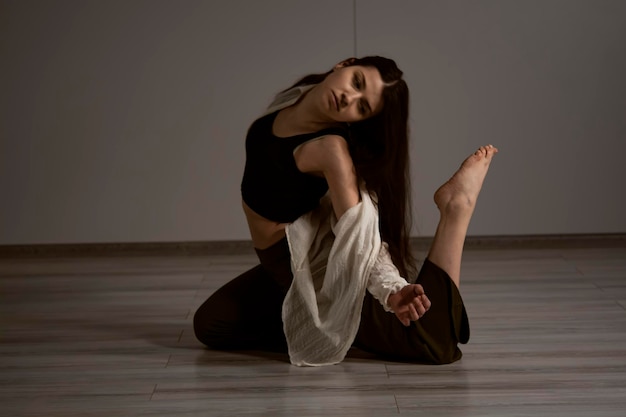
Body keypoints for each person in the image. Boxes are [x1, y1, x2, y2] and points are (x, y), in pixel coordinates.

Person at [193, 56, 498, 366]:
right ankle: (314, 322)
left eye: (362, 107)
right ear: (344, 65)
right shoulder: (296, 97)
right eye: (356, 82)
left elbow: (359, 231)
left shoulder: (331, 151)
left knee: (431, 344)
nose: (348, 98)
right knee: (211, 325)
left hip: (311, 268)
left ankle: (455, 208)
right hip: (278, 267)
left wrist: (391, 290)